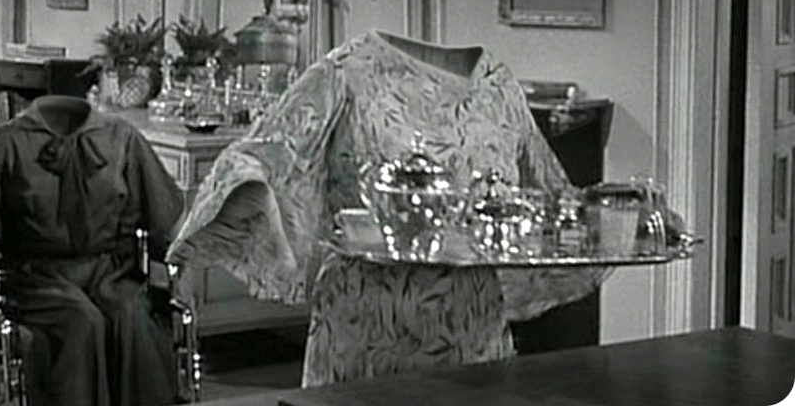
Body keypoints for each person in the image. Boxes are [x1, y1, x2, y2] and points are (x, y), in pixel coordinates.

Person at [167, 29, 613, 386]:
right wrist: (220, 222)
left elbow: (548, 199)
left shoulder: (498, 86)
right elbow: (265, 154)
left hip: (471, 329)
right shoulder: (348, 72)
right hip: (365, 329)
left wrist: (617, 216)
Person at [0, 95, 184, 406]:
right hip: (37, 275)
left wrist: (176, 258)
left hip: (111, 271)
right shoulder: (4, 142)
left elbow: (163, 215)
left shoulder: (122, 137)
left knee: (132, 316)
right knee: (82, 322)